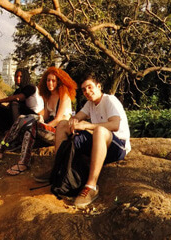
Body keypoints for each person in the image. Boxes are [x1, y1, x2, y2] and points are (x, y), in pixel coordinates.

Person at [52, 74, 131, 208]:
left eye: (90, 87)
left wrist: (87, 126)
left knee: (99, 130)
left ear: (99, 87)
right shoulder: (90, 104)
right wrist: (73, 123)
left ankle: (91, 186)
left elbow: (115, 125)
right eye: (84, 90)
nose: (87, 92)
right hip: (99, 142)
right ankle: (60, 168)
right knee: (62, 125)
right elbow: (77, 117)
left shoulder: (109, 100)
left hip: (118, 145)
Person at [0, 66, 77, 176]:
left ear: (59, 82)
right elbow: (44, 116)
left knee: (32, 125)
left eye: (53, 81)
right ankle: (1, 148)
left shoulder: (64, 95)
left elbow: (58, 119)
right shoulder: (48, 96)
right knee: (23, 119)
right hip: (46, 129)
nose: (50, 83)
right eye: (48, 80)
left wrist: (40, 125)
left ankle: (22, 162)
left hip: (59, 132)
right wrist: (36, 121)